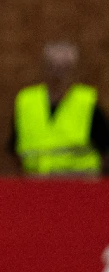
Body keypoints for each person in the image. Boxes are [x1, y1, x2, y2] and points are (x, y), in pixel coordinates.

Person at [11, 41, 107, 177]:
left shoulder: (87, 102)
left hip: (78, 182)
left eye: (64, 68)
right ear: (43, 68)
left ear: (73, 71)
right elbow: (15, 148)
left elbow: (105, 147)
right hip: (35, 181)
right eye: (52, 67)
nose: (57, 74)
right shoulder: (26, 101)